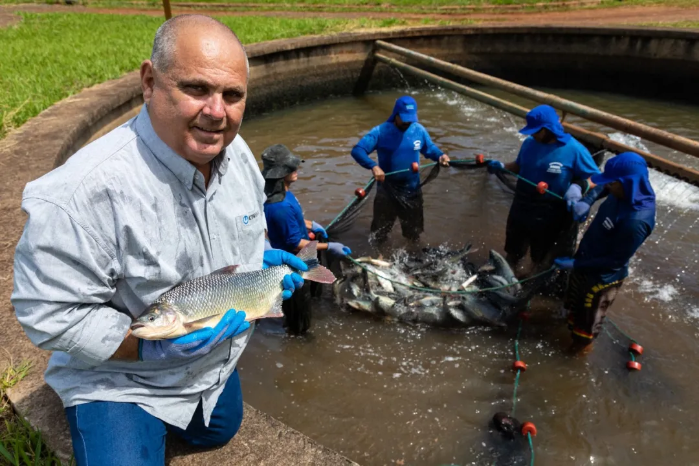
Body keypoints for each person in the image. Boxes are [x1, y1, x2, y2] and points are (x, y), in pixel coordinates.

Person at [11, 15, 307, 466]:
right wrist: (148, 347)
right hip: (119, 377)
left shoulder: (239, 154)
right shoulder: (80, 194)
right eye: (196, 89)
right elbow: (46, 312)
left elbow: (244, 237)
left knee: (220, 431)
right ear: (149, 82)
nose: (217, 112)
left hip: (208, 364)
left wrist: (259, 264)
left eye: (232, 95)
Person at [554, 152, 656, 352]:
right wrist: (588, 200)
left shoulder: (636, 221)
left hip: (600, 279)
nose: (607, 185)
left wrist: (574, 264)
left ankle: (575, 359)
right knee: (573, 310)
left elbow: (614, 261)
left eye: (612, 183)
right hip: (585, 260)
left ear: (627, 183)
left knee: (584, 333)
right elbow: (603, 186)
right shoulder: (625, 189)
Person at [486, 104, 600, 274]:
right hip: (522, 206)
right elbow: (518, 166)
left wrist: (578, 187)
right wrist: (502, 166)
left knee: (541, 259)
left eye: (536, 130)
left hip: (551, 213)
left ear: (548, 129)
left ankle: (532, 280)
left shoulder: (574, 149)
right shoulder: (529, 143)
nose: (532, 134)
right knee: (513, 250)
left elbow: (598, 178)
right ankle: (508, 277)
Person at [261, 143, 351, 334]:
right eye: (291, 167)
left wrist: (311, 225)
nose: (296, 169)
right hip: (293, 264)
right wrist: (329, 246)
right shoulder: (279, 207)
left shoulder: (284, 194)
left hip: (303, 255)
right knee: (298, 318)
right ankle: (296, 342)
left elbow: (295, 221)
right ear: (280, 173)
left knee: (309, 297)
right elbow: (294, 243)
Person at [351, 96, 450, 244]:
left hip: (412, 191)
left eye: (410, 119)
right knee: (379, 234)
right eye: (404, 118)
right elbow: (358, 150)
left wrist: (440, 156)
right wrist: (374, 166)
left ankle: (412, 257)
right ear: (396, 114)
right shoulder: (381, 132)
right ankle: (379, 258)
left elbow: (429, 149)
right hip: (387, 191)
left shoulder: (419, 130)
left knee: (413, 234)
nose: (407, 122)